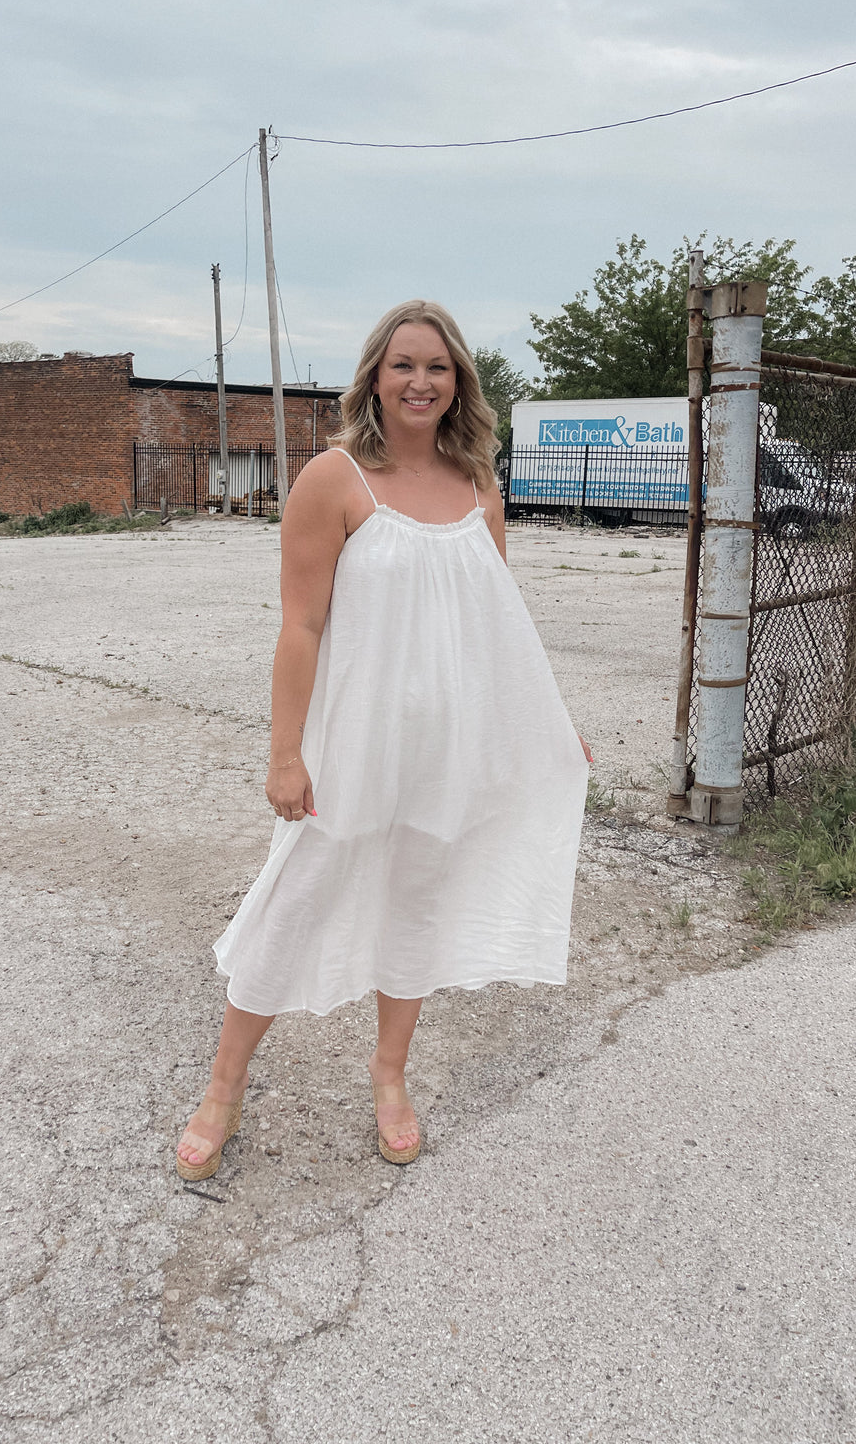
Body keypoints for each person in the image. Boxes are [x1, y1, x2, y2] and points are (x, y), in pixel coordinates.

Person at [176, 300, 592, 1181]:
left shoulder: (480, 484)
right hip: (354, 745)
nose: (420, 381)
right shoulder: (334, 480)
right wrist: (285, 754)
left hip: (450, 749)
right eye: (403, 365)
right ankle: (222, 1088)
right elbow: (301, 628)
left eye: (437, 367)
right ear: (374, 376)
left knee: (417, 905)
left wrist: (550, 729)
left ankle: (390, 1076)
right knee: (294, 902)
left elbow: (498, 627)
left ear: (459, 383)